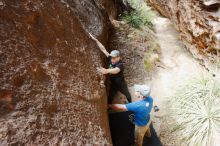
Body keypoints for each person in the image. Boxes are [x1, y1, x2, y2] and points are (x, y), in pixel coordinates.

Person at [89, 33, 131, 103]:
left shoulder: (120, 64)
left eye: (114, 58)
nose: (112, 60)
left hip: (121, 84)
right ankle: (109, 107)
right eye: (111, 57)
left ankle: (131, 105)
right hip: (113, 85)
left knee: (127, 95)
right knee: (110, 98)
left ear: (119, 57)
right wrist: (96, 40)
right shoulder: (111, 58)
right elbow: (103, 50)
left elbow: (116, 70)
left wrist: (106, 71)